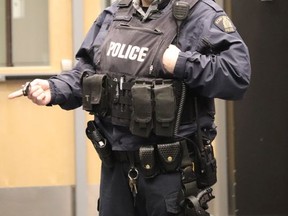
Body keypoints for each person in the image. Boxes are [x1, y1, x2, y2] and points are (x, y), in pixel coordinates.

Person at [9, 0, 251, 215]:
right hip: (116, 173)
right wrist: (54, 88)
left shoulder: (200, 15)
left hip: (170, 174)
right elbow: (86, 72)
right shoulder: (114, 15)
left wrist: (181, 63)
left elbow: (237, 75)